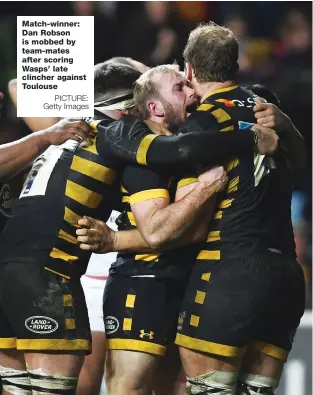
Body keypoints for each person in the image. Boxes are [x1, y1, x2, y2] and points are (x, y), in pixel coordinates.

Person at [171, 22, 306, 395]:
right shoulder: (269, 111)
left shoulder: (198, 123)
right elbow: (300, 163)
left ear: (190, 71)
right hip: (285, 274)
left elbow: (184, 218)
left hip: (228, 271)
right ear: (236, 67)